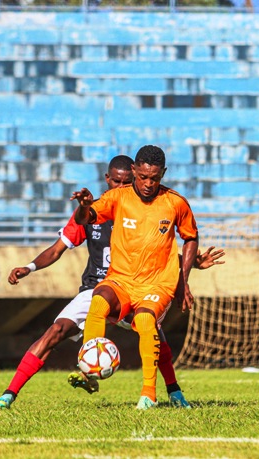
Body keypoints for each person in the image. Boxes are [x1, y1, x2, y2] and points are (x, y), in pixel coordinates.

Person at [0, 155, 223, 410]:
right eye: (117, 181)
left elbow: (157, 251)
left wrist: (188, 268)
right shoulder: (99, 208)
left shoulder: (153, 206)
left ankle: (170, 390)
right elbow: (58, 248)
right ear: (108, 179)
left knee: (154, 333)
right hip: (101, 286)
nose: (121, 187)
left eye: (126, 182)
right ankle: (12, 392)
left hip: (144, 286)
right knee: (56, 330)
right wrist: (30, 266)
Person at [71, 145, 199, 410]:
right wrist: (83, 207)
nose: (148, 183)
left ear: (163, 173)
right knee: (99, 300)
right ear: (134, 171)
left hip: (157, 284)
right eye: (143, 177)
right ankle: (89, 371)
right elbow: (87, 217)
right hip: (121, 280)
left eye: (155, 178)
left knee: (144, 320)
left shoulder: (175, 202)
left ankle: (148, 394)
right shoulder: (119, 197)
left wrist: (183, 281)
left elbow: (190, 238)